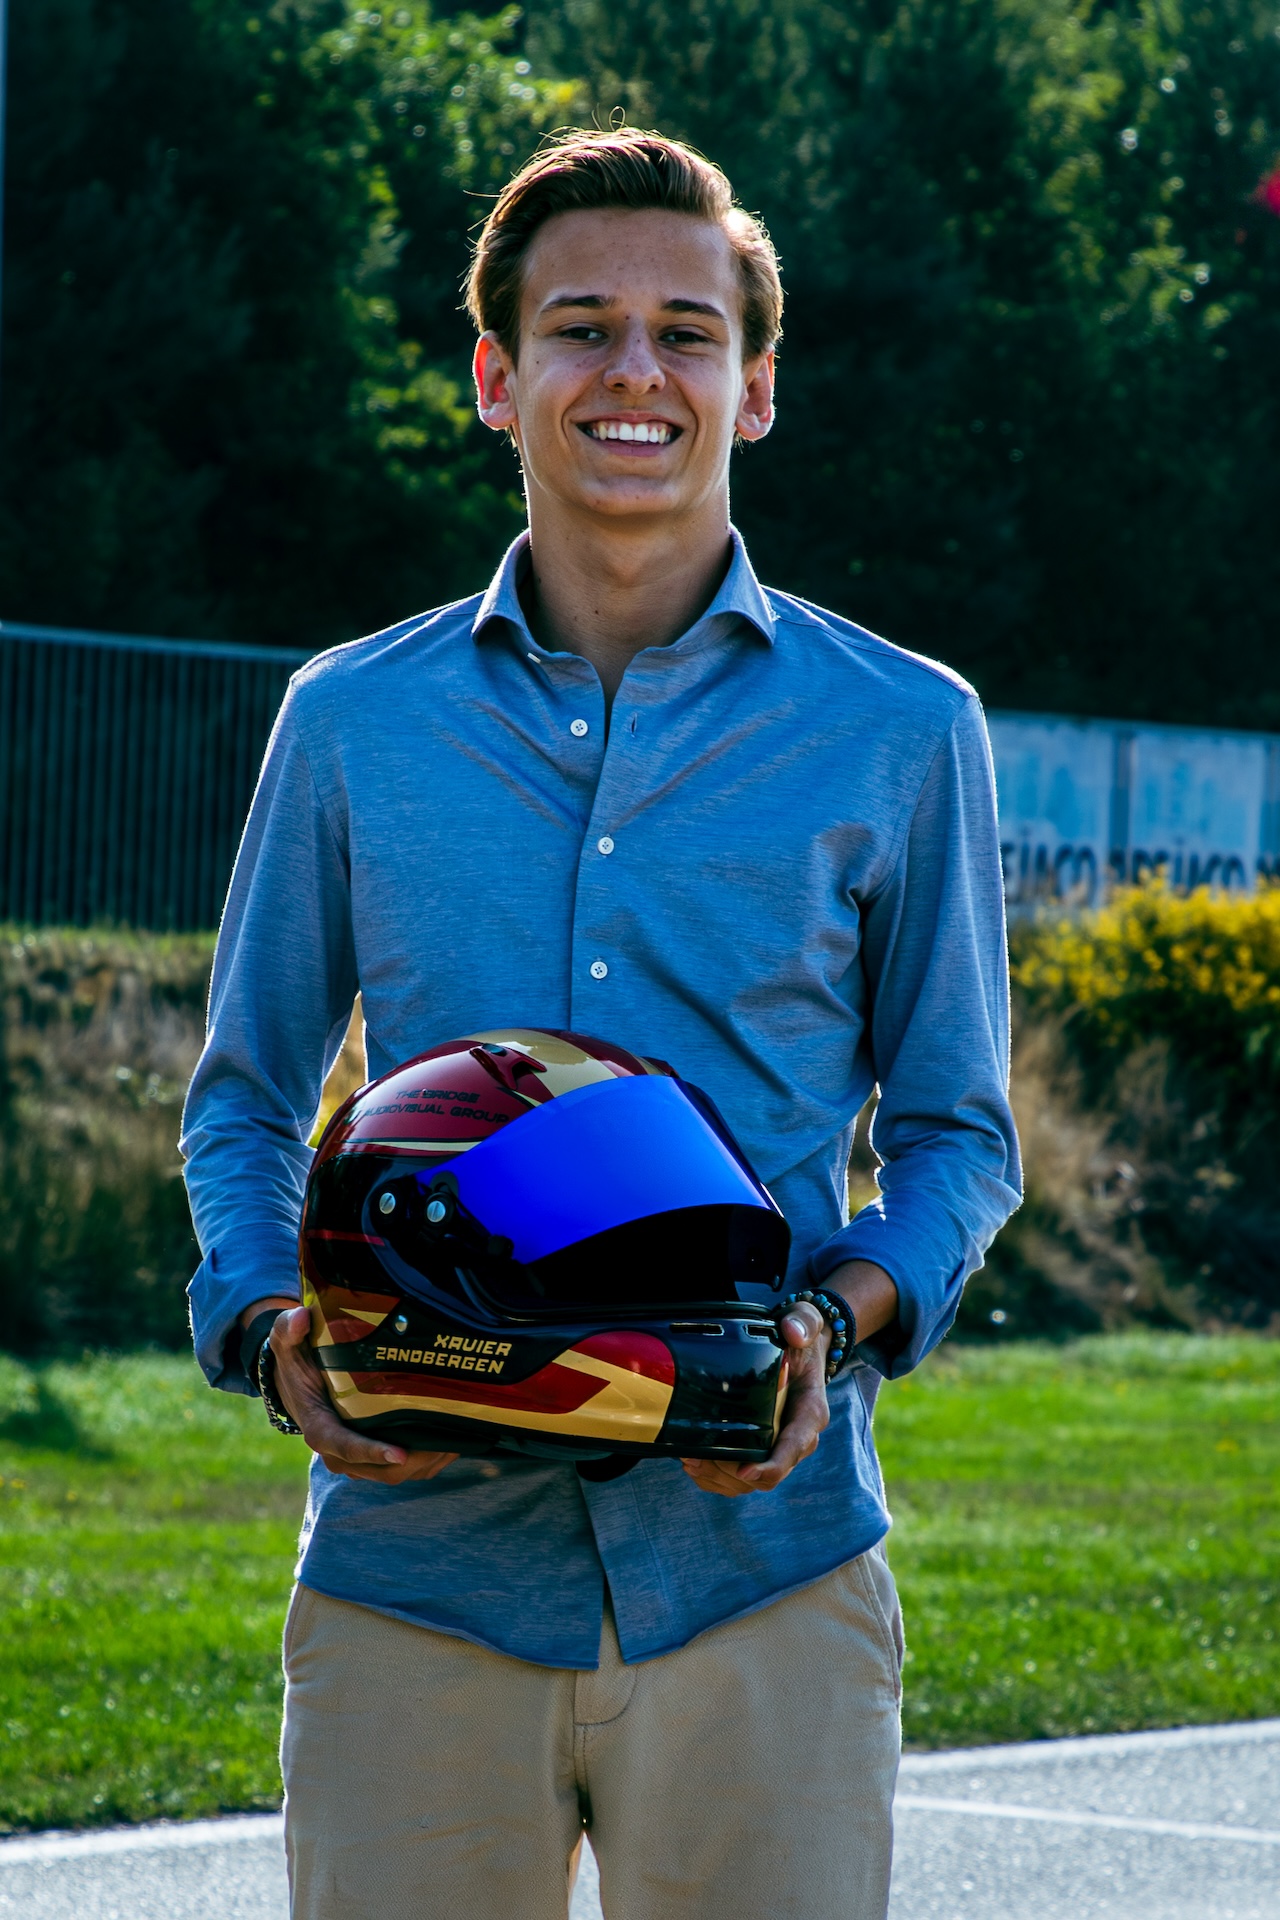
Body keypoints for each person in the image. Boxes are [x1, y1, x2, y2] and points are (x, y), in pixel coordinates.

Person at [181, 127, 1020, 1920]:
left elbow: (961, 1138)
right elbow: (242, 1099)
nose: (635, 371)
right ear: (498, 378)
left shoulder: (905, 728)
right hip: (418, 1587)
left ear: (756, 386)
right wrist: (266, 1327)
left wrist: (835, 1324)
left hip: (764, 1580)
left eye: (686, 333)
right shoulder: (351, 721)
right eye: (580, 328)